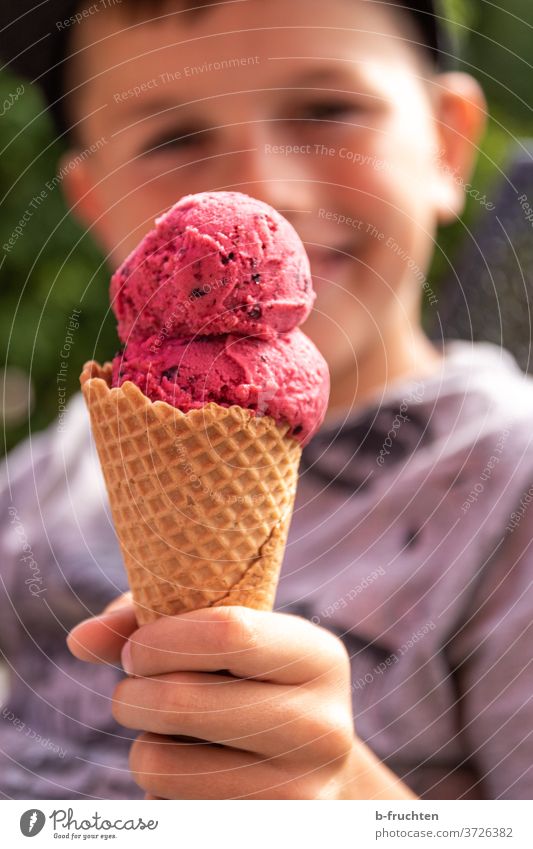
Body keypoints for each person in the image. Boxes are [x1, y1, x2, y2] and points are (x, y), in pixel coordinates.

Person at [1, 0, 532, 800]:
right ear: (93, 200)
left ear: (447, 144)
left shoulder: (507, 490)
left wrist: (338, 798)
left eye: (327, 110)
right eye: (173, 137)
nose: (264, 187)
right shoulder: (61, 466)